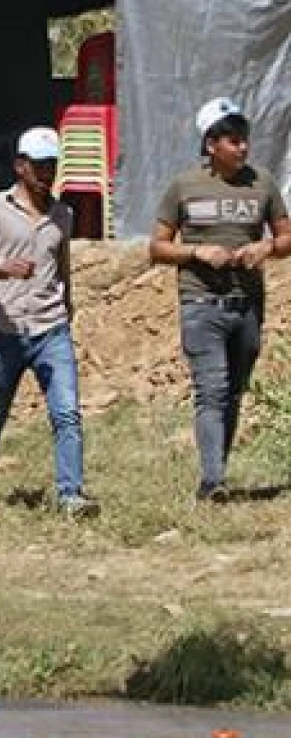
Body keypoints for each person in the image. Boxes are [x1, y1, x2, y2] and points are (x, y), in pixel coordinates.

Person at [150, 98, 291, 502]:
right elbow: (157, 248)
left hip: (247, 306)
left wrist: (266, 248)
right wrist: (197, 252)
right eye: (233, 140)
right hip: (201, 304)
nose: (242, 147)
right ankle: (212, 482)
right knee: (211, 389)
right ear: (211, 144)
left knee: (232, 392)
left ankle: (218, 471)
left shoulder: (263, 184)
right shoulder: (184, 187)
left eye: (244, 139)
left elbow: (287, 237)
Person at [0, 126, 98, 518]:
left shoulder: (62, 215)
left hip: (51, 329)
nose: (46, 173)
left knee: (66, 412)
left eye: (52, 165)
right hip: (3, 331)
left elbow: (63, 266)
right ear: (20, 166)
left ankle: (71, 495)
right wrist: (1, 266)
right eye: (39, 166)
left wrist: (68, 305)